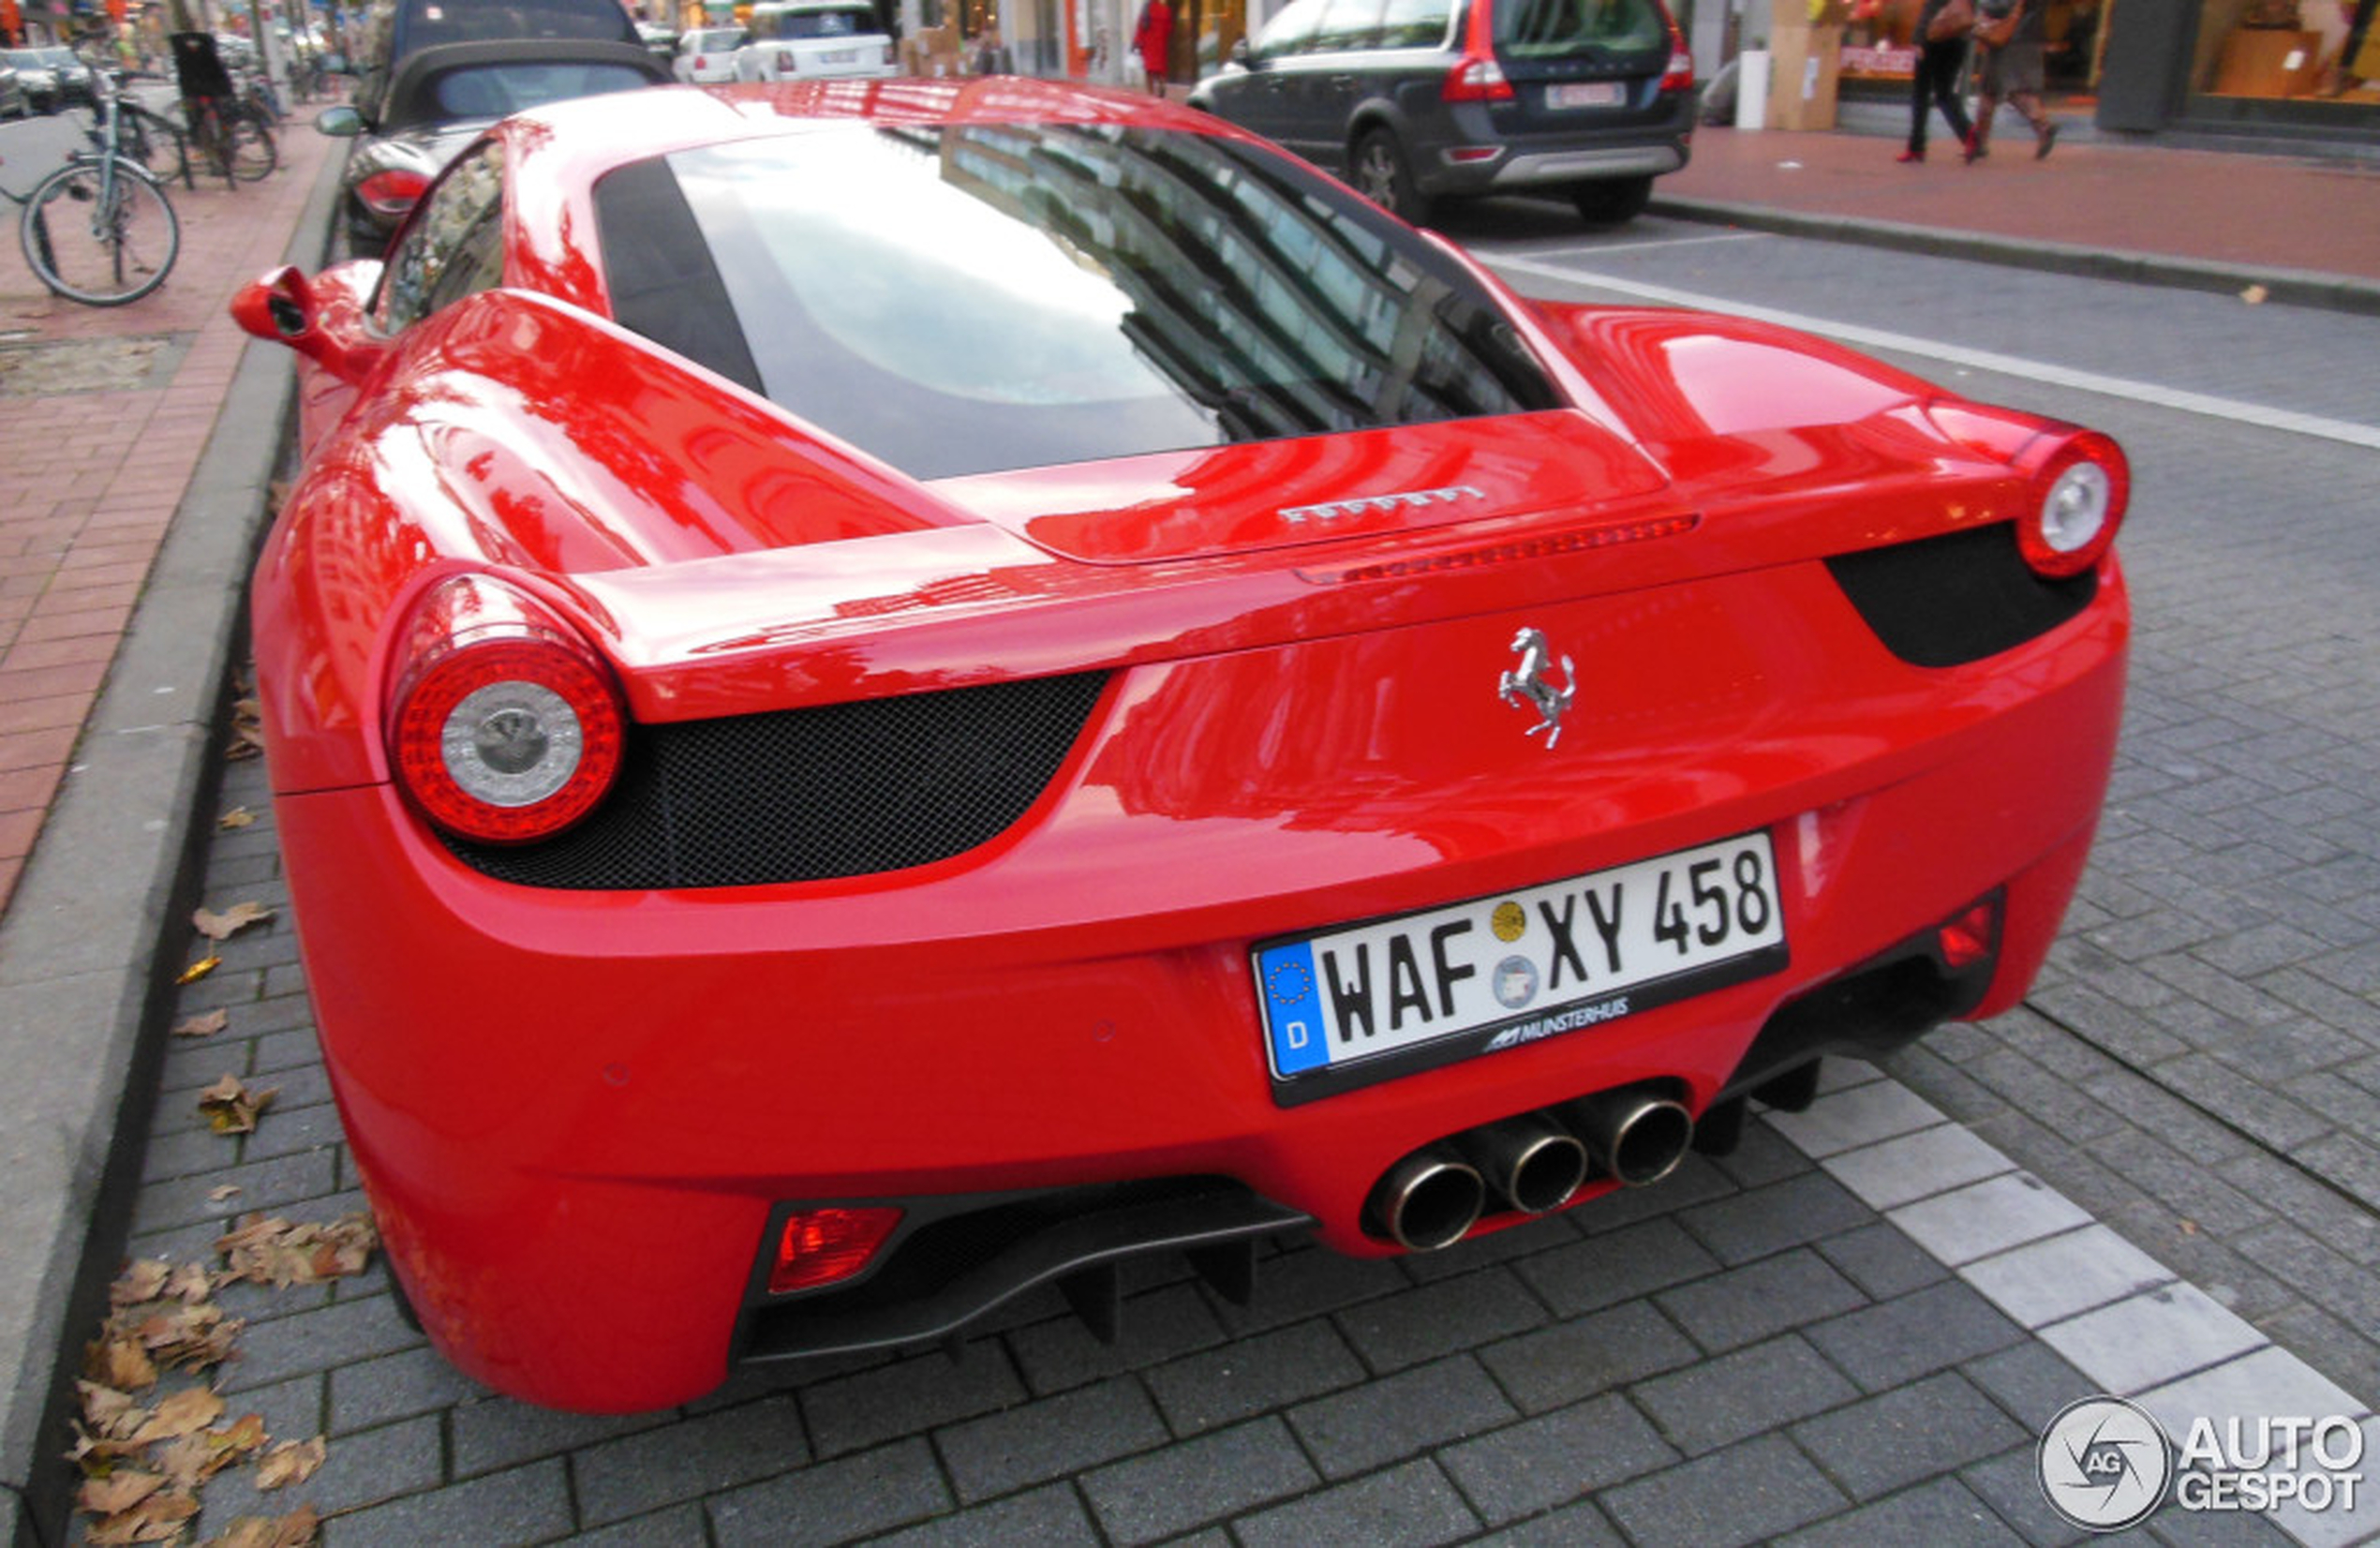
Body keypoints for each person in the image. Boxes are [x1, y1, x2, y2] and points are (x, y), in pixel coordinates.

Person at [1969, 0, 2058, 161]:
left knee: (2011, 90)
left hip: (2008, 39)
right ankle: (1980, 142)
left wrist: (1982, 5)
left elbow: (2001, 5)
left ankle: (2042, 125)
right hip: (2028, 39)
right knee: (1994, 90)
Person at [1900, 0, 1975, 163]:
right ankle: (1969, 133)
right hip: (1958, 39)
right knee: (1945, 93)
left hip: (1933, 37)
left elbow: (1930, 10)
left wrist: (1919, 39)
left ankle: (1916, 147)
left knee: (1921, 93)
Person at [1131, 0, 1170, 95]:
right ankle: (1162, 83)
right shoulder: (1165, 10)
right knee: (1160, 68)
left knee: (1149, 69)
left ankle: (1150, 92)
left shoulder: (1146, 10)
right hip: (1160, 43)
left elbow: (1140, 28)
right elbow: (1168, 28)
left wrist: (1136, 42)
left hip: (1148, 42)